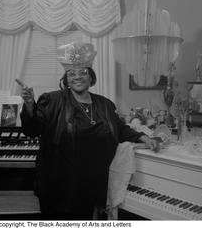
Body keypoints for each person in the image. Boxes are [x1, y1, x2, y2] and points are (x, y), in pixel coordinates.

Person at [19, 42, 159, 220]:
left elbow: (120, 128)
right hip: (59, 186)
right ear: (66, 79)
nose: (77, 77)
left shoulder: (105, 104)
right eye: (71, 73)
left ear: (91, 77)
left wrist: (143, 137)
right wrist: (30, 104)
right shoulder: (52, 101)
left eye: (83, 72)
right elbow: (32, 130)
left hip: (94, 183)